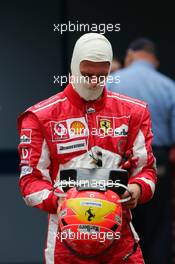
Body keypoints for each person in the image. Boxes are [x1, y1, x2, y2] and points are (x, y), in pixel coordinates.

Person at [17, 33, 157, 264]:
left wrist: (136, 190)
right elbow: (29, 181)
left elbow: (147, 171)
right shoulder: (40, 117)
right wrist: (59, 201)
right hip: (65, 241)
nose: (94, 81)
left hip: (119, 241)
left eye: (102, 75)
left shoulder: (134, 112)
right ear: (74, 67)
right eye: (87, 74)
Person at [107, 37, 175, 263]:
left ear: (130, 55)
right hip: (158, 161)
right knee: (159, 227)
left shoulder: (113, 81)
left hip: (119, 160)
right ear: (153, 59)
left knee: (118, 223)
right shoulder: (168, 87)